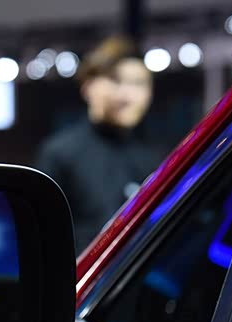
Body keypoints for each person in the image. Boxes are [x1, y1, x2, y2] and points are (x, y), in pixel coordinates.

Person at [35, 36, 162, 253]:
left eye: (139, 84)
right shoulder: (60, 154)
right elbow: (40, 237)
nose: (128, 95)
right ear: (87, 86)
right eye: (116, 80)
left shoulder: (152, 161)